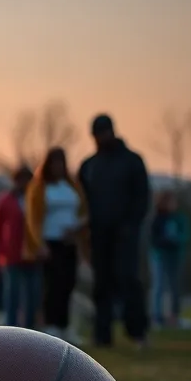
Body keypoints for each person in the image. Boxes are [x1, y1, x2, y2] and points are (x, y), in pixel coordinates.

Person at [78, 114, 151, 348]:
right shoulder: (89, 166)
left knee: (128, 280)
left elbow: (142, 197)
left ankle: (138, 332)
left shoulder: (131, 161)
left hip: (125, 234)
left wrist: (131, 225)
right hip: (99, 235)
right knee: (102, 284)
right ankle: (102, 334)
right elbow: (84, 200)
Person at [25, 147, 89, 343]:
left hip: (68, 242)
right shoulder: (40, 187)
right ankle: (51, 325)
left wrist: (77, 230)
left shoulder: (72, 187)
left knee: (67, 284)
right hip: (49, 243)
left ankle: (64, 325)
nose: (58, 167)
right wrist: (39, 244)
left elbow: (83, 211)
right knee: (52, 285)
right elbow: (33, 218)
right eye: (54, 163)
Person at [0, 166, 40, 329]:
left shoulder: (35, 200)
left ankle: (30, 327)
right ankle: (11, 327)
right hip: (11, 254)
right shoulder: (5, 200)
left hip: (32, 254)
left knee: (33, 294)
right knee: (12, 294)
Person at [149, 190, 189, 328]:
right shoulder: (158, 218)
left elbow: (184, 236)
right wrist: (164, 242)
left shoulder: (179, 218)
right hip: (160, 255)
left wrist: (175, 241)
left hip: (174, 257)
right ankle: (157, 316)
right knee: (158, 286)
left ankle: (174, 316)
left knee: (174, 286)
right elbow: (153, 238)